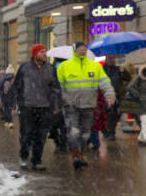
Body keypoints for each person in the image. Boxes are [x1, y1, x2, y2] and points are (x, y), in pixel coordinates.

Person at [56, 41, 115, 170]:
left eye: (84, 49)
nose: (82, 51)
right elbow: (58, 87)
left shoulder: (95, 66)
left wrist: (110, 95)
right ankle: (75, 156)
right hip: (71, 106)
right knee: (74, 131)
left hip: (89, 105)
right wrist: (63, 100)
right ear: (75, 50)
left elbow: (105, 83)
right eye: (80, 49)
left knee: (86, 134)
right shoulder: (64, 66)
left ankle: (80, 153)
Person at [9, 44, 60, 171]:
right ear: (35, 54)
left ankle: (37, 160)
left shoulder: (50, 68)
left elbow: (56, 89)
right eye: (42, 52)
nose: (45, 54)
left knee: (41, 135)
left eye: (45, 51)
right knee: (26, 134)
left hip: (44, 107)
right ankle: (24, 157)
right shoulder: (24, 68)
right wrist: (13, 103)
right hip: (27, 107)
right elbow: (16, 86)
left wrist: (56, 105)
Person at [102, 54, 131, 140]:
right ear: (106, 59)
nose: (112, 60)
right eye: (110, 58)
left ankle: (111, 132)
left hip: (117, 96)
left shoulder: (119, 69)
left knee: (114, 115)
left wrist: (123, 72)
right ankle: (104, 131)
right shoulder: (101, 69)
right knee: (103, 116)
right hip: (103, 96)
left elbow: (128, 78)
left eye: (113, 58)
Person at [0, 65, 16, 129]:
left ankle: (9, 122)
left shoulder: (4, 78)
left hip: (4, 96)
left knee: (6, 109)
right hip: (12, 96)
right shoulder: (14, 78)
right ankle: (8, 122)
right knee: (9, 109)